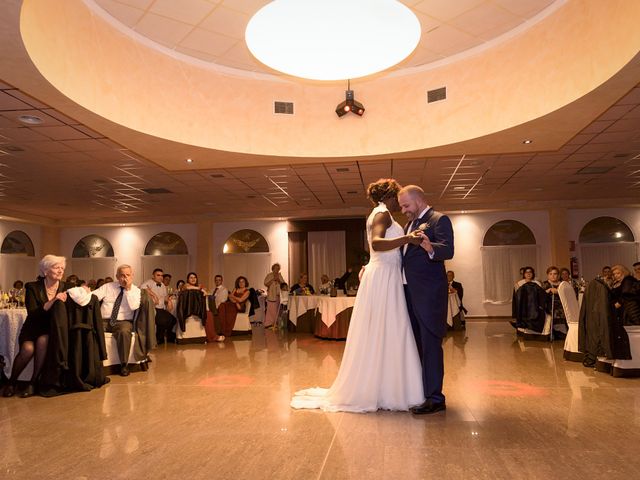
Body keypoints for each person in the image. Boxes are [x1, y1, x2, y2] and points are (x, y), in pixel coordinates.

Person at [291, 178, 424, 412]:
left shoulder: (380, 214)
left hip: (385, 274)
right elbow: (377, 243)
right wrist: (407, 238)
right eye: (397, 199)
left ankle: (386, 386)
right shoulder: (382, 214)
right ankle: (385, 389)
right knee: (387, 329)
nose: (399, 204)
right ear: (388, 196)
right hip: (383, 276)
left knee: (387, 330)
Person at [398, 184, 454, 415]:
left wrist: (431, 247)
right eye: (401, 206)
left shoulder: (439, 220)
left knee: (431, 345)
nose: (403, 210)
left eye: (406, 205)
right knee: (416, 345)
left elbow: (448, 250)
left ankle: (435, 398)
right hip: (408, 292)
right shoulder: (408, 224)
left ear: (419, 200)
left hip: (429, 294)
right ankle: (420, 392)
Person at [3, 255, 68, 398]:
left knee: (44, 340)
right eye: (56, 267)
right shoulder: (32, 287)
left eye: (62, 268)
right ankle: (11, 383)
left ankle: (33, 383)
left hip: (50, 329)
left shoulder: (65, 287)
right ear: (45, 270)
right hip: (32, 327)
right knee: (27, 349)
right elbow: (33, 312)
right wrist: (54, 300)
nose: (60, 271)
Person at [92, 265, 141, 376]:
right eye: (122, 275)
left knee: (124, 332)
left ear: (132, 276)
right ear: (117, 276)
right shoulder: (108, 287)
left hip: (123, 322)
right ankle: (94, 363)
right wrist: (84, 292)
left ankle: (124, 364)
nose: (125, 278)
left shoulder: (136, 290)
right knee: (91, 329)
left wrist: (128, 289)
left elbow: (134, 306)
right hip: (104, 320)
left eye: (128, 275)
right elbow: (93, 297)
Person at [140, 268, 176, 345]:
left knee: (173, 320)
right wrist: (154, 295)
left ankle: (167, 337)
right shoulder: (149, 282)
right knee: (162, 321)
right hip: (153, 308)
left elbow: (165, 297)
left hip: (161, 308)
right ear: (153, 276)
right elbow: (142, 288)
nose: (160, 277)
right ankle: (158, 339)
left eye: (161, 276)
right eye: (158, 275)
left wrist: (169, 301)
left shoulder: (162, 285)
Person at [541, 266, 567, 338]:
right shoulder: (545, 284)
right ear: (547, 275)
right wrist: (548, 290)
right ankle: (553, 331)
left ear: (558, 275)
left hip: (562, 305)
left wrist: (559, 291)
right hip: (549, 306)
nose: (553, 276)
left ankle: (561, 331)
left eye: (555, 274)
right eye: (550, 274)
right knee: (554, 310)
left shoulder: (562, 284)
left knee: (561, 310)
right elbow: (540, 296)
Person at [264, 264, 284, 328]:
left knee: (277, 310)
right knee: (271, 309)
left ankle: (276, 323)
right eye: (276, 268)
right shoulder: (269, 275)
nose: (277, 270)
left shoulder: (280, 275)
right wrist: (273, 279)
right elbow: (266, 283)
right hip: (271, 295)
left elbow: (284, 284)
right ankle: (269, 323)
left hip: (278, 295)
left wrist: (279, 280)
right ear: (273, 268)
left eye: (278, 268)